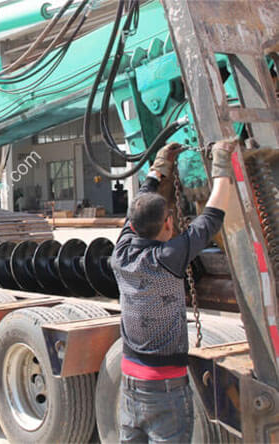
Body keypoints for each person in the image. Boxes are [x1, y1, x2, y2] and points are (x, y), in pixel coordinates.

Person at [111, 138, 237, 443]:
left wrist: (158, 169)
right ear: (168, 223)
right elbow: (211, 218)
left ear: (133, 226)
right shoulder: (167, 259)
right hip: (165, 388)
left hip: (130, 383)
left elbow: (142, 206)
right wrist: (223, 162)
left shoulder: (121, 253)